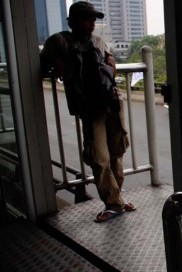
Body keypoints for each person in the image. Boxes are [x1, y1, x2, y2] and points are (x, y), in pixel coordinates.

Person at [40, 1, 136, 222]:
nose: (92, 23)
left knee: (117, 151)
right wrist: (57, 65)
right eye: (87, 18)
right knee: (98, 156)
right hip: (89, 107)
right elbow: (43, 64)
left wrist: (110, 62)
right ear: (72, 21)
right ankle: (113, 203)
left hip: (111, 100)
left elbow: (110, 60)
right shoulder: (60, 42)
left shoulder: (98, 41)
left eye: (94, 19)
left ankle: (116, 199)